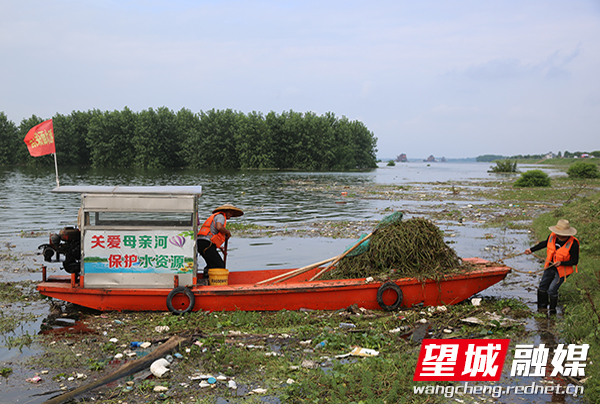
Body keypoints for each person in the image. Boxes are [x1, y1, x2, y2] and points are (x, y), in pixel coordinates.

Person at [525, 219, 579, 314]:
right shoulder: (552, 236)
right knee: (542, 287)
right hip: (550, 267)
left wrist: (561, 263)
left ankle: (552, 311)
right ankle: (541, 309)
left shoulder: (573, 244)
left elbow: (575, 261)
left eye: (561, 234)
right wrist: (531, 250)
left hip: (562, 270)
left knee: (552, 289)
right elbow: (544, 243)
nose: (558, 235)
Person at [197, 204, 244, 280]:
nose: (231, 215)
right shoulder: (221, 216)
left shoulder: (217, 216)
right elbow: (219, 227)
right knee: (219, 266)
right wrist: (227, 232)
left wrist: (221, 248)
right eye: (230, 213)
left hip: (201, 243)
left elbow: (213, 235)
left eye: (232, 213)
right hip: (206, 243)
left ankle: (206, 280)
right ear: (225, 211)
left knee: (211, 264)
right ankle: (214, 284)